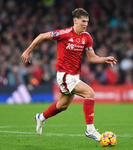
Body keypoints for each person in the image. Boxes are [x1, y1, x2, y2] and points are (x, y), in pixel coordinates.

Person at [21, 8, 117, 142]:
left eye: (87, 22)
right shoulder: (64, 33)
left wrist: (104, 59)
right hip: (64, 75)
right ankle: (90, 130)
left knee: (62, 105)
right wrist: (27, 51)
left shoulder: (87, 37)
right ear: (75, 21)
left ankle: (41, 117)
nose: (85, 24)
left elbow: (91, 58)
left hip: (74, 76)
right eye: (83, 21)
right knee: (90, 93)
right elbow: (42, 36)